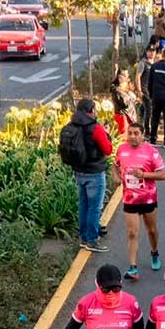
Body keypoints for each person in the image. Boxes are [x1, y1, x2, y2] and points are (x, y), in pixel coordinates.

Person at [114, 123, 165, 280]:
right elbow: (115, 165)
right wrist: (116, 176)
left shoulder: (151, 152)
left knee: (151, 230)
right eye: (130, 133)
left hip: (148, 198)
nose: (132, 136)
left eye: (136, 133)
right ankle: (133, 268)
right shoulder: (122, 150)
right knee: (132, 232)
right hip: (130, 198)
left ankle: (154, 251)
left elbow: (162, 174)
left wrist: (144, 175)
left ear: (142, 135)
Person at [62, 98, 114, 253]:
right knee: (95, 208)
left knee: (83, 205)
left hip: (79, 171)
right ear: (91, 111)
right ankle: (92, 239)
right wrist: (107, 134)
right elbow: (108, 149)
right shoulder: (95, 127)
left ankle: (84, 238)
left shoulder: (71, 126)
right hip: (95, 173)